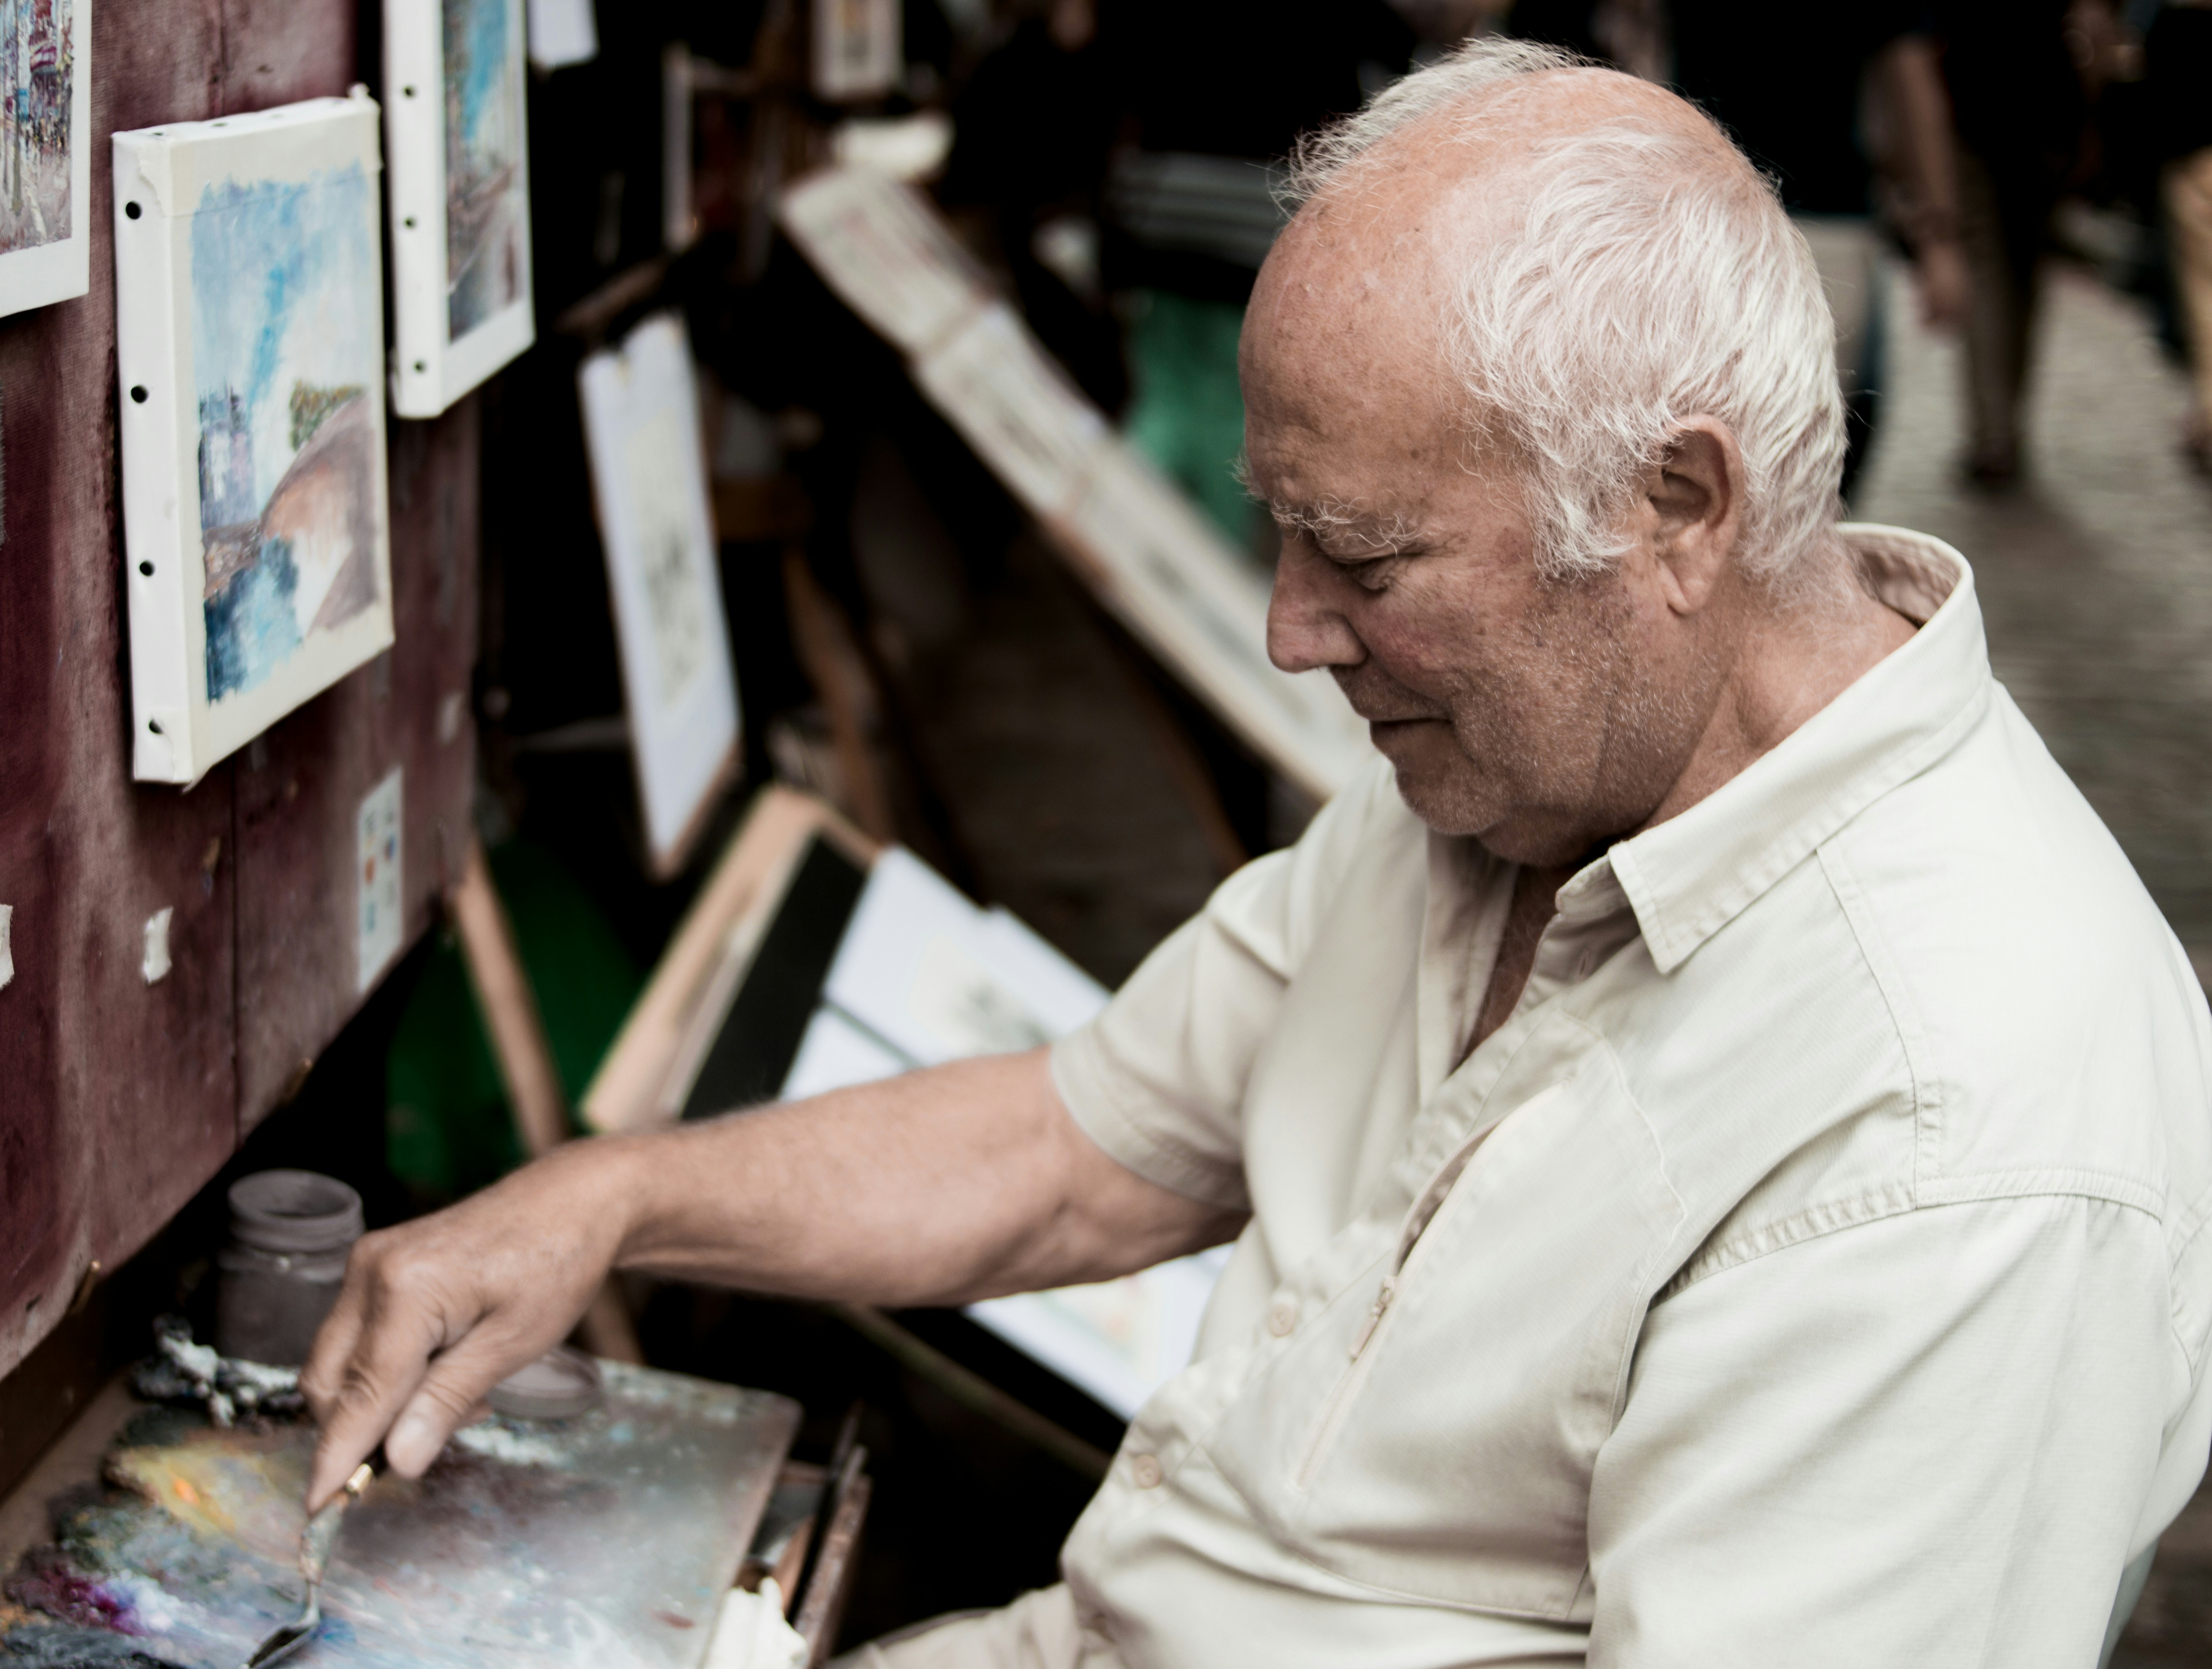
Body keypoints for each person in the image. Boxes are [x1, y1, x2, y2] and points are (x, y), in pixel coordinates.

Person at [304, 40, 2212, 1668]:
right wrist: (606, 1199)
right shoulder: (1534, 763)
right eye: (1281, 533)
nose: (1290, 630)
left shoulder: (1952, 1126)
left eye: (1362, 557)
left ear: (1677, 507)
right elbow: (1078, 1146)